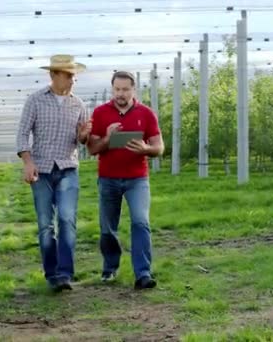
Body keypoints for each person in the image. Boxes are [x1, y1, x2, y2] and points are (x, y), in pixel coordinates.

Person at [16, 54, 91, 292]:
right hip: (42, 170)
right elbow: (22, 134)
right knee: (45, 225)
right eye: (68, 75)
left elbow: (81, 141)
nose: (72, 80)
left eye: (74, 76)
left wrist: (83, 135)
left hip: (68, 168)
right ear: (53, 75)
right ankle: (52, 274)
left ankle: (65, 273)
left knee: (67, 219)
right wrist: (27, 162)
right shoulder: (35, 101)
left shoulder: (79, 105)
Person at [87, 71, 164, 290]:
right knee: (107, 228)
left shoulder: (146, 114)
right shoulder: (100, 113)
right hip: (108, 178)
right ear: (112, 89)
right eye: (117, 89)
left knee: (141, 221)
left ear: (134, 89)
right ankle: (110, 267)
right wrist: (108, 138)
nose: (120, 94)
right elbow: (92, 148)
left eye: (125, 89)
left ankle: (143, 273)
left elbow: (159, 147)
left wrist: (146, 148)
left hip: (137, 179)